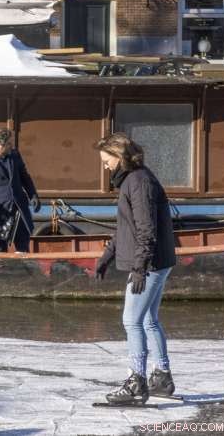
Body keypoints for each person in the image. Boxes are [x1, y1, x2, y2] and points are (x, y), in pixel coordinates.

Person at [94, 133, 177, 406]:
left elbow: (146, 230)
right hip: (157, 261)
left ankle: (136, 383)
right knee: (149, 320)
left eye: (107, 161)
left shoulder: (138, 182)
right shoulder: (134, 180)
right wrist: (107, 256)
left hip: (149, 264)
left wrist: (139, 268)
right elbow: (127, 227)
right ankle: (162, 377)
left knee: (132, 321)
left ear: (120, 157)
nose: (105, 167)